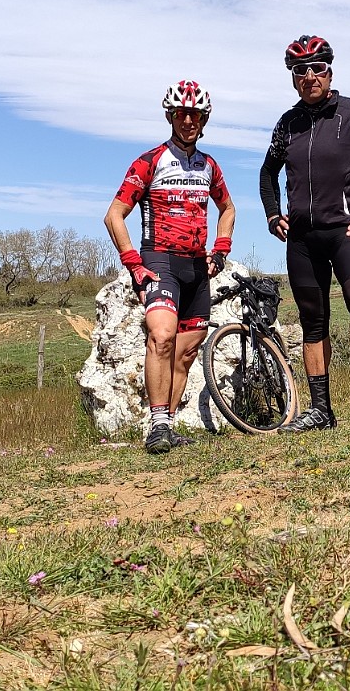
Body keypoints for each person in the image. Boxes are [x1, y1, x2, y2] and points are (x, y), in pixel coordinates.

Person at [259, 35, 350, 432]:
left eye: (318, 68)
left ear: (330, 71)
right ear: (293, 79)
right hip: (303, 240)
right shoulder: (287, 124)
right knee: (313, 320)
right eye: (300, 71)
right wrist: (274, 215)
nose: (310, 76)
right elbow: (266, 173)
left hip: (348, 234)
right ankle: (321, 411)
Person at [106, 80, 236, 454]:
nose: (189, 121)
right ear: (171, 116)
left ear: (204, 119)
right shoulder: (148, 162)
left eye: (196, 115)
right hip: (159, 259)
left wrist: (221, 248)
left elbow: (227, 208)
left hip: (197, 267)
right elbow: (114, 215)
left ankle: (169, 424)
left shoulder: (209, 166)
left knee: (187, 350)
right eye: (182, 114)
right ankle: (157, 423)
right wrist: (132, 261)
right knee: (161, 336)